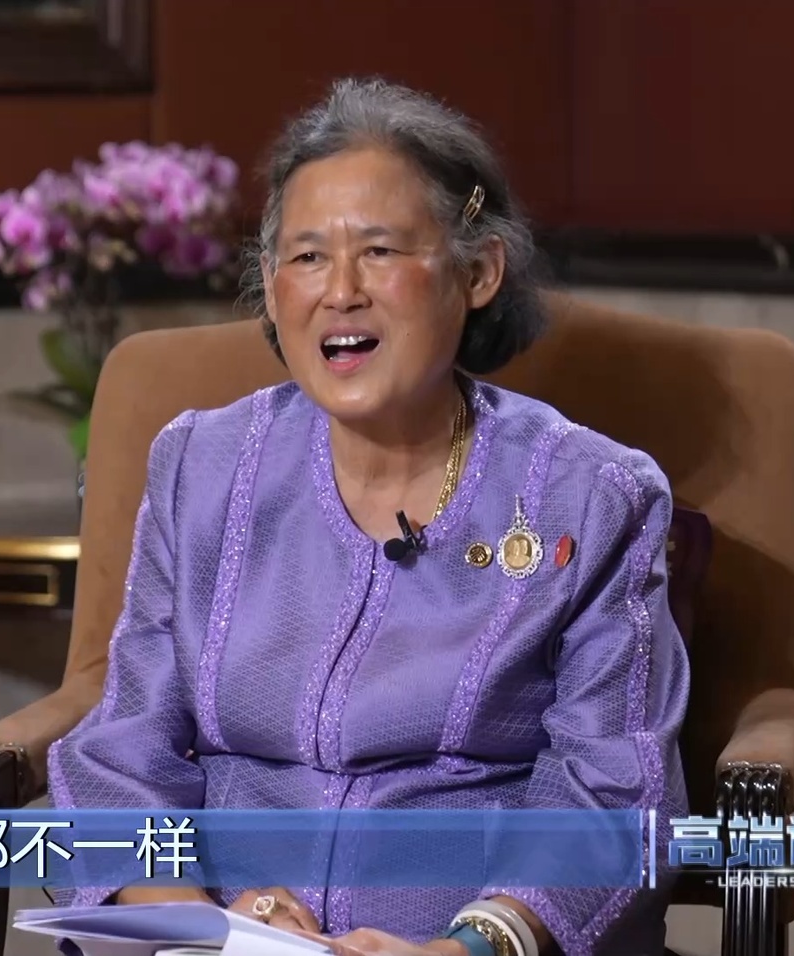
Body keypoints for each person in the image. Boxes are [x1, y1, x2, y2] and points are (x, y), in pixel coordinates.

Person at [47, 77, 690, 956]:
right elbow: (122, 751)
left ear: (478, 272)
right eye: (308, 257)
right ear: (270, 285)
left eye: (380, 251)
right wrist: (199, 923)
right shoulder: (203, 468)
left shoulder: (592, 495)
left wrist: (468, 947)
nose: (340, 290)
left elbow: (612, 790)